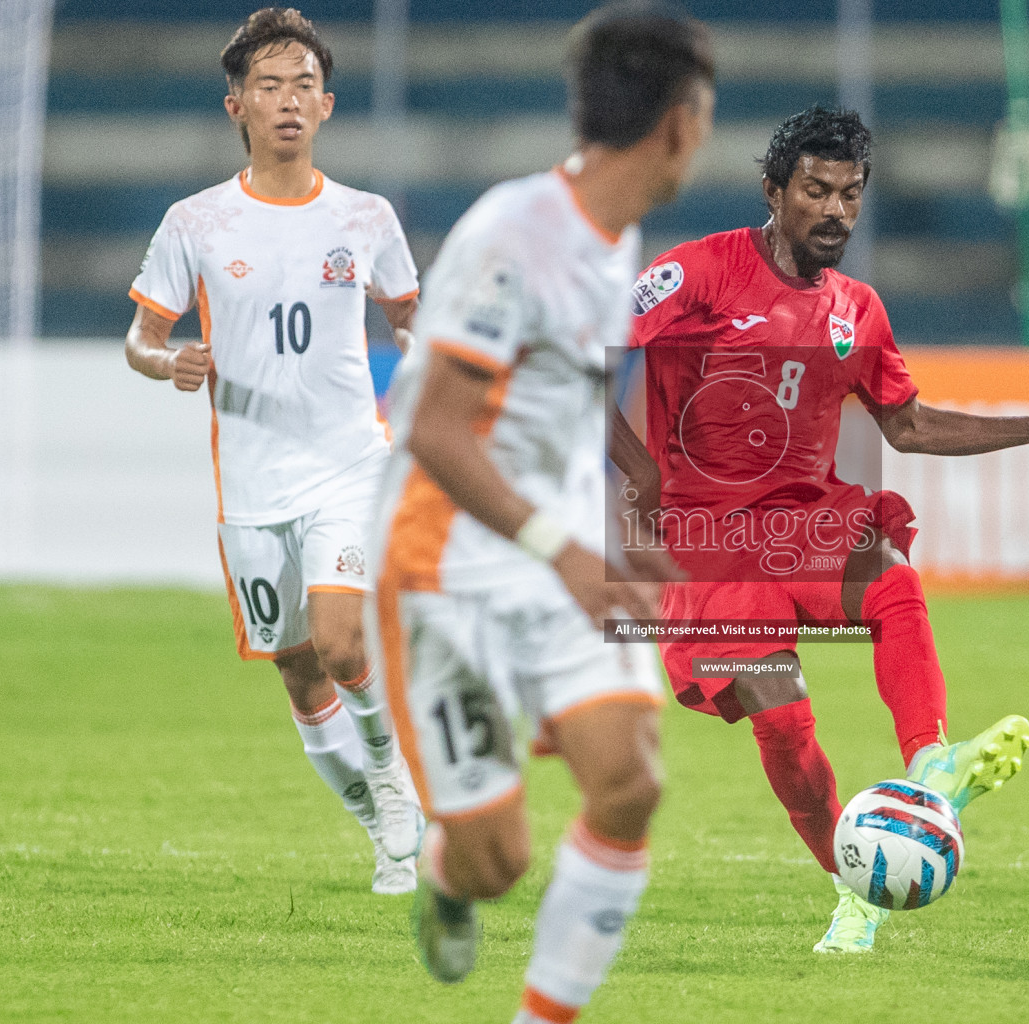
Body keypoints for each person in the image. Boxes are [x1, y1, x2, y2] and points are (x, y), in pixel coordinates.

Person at [614, 105, 1029, 952]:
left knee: (892, 578)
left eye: (850, 194)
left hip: (800, 526)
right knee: (781, 716)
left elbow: (909, 427)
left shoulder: (858, 310)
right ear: (773, 192)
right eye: (815, 190)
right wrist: (641, 472)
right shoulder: (695, 274)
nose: (836, 210)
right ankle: (856, 889)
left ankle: (932, 765)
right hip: (704, 549)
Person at [368, 4, 712, 1018]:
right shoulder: (514, 236)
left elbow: (561, 416)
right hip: (449, 563)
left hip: (551, 545)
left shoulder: (620, 240)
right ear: (681, 124)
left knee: (630, 780)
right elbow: (436, 429)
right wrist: (563, 549)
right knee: (495, 860)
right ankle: (446, 868)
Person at [124, 7, 424, 894]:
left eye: (303, 86)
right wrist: (166, 360)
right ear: (236, 107)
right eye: (268, 86)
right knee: (298, 676)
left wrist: (437, 374)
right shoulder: (197, 223)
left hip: (349, 464)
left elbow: (413, 319)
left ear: (326, 106)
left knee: (341, 641)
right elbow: (140, 337)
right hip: (252, 486)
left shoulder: (366, 218)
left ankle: (396, 786)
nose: (287, 101)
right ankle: (380, 824)